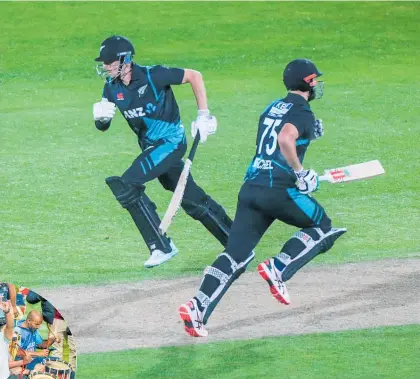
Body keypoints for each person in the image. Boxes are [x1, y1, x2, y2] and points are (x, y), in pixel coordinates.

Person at [179, 59, 347, 337]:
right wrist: (302, 174)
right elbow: (284, 139)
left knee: (236, 255)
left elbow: (273, 139)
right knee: (322, 227)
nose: (316, 83)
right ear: (306, 83)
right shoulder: (303, 111)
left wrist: (308, 136)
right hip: (278, 189)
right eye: (314, 79)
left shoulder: (272, 107)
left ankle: (197, 307)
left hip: (251, 187)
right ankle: (278, 267)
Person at [93, 35, 233, 268]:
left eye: (109, 61)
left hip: (171, 143)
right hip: (152, 149)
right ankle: (237, 242)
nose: (105, 66)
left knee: (127, 183)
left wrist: (203, 114)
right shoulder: (111, 88)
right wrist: (101, 120)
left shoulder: (153, 75)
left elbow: (193, 76)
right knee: (191, 199)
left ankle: (161, 245)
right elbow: (104, 125)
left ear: (125, 59)